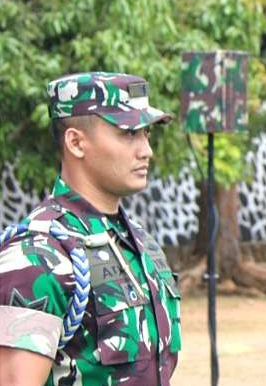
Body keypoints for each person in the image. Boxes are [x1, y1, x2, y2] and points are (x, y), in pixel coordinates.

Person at [0, 72, 181, 385]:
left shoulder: (138, 242)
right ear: (76, 142)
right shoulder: (36, 255)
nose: (146, 150)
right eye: (128, 134)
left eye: (146, 133)